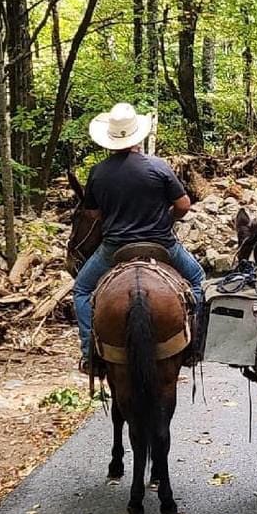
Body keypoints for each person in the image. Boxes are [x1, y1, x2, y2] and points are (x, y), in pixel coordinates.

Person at [72, 102, 205, 374]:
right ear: (138, 136)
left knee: (82, 290)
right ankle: (196, 346)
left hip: (114, 248)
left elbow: (93, 214)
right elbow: (183, 205)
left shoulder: (98, 172)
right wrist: (167, 219)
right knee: (198, 280)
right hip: (162, 244)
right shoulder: (159, 166)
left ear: (110, 138)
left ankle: (89, 353)